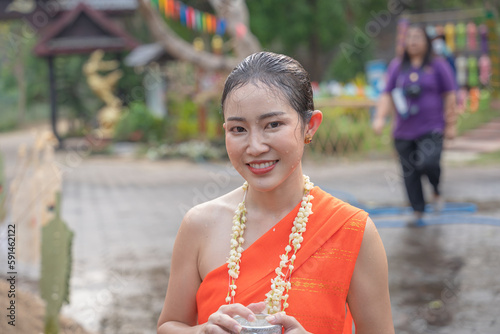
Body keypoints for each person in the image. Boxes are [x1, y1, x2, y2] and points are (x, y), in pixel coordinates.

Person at [157, 52, 394, 334]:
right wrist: (201, 332)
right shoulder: (200, 225)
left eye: (273, 125)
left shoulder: (351, 230)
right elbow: (170, 326)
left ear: (310, 126)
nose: (255, 146)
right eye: (238, 129)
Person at [372, 25, 457, 225]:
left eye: (418, 36)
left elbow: (450, 94)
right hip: (404, 131)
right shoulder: (397, 66)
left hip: (432, 127)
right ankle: (418, 211)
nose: (413, 41)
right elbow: (386, 94)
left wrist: (451, 124)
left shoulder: (438, 64)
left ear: (426, 42)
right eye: (409, 37)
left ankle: (436, 189)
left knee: (429, 162)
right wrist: (379, 118)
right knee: (410, 172)